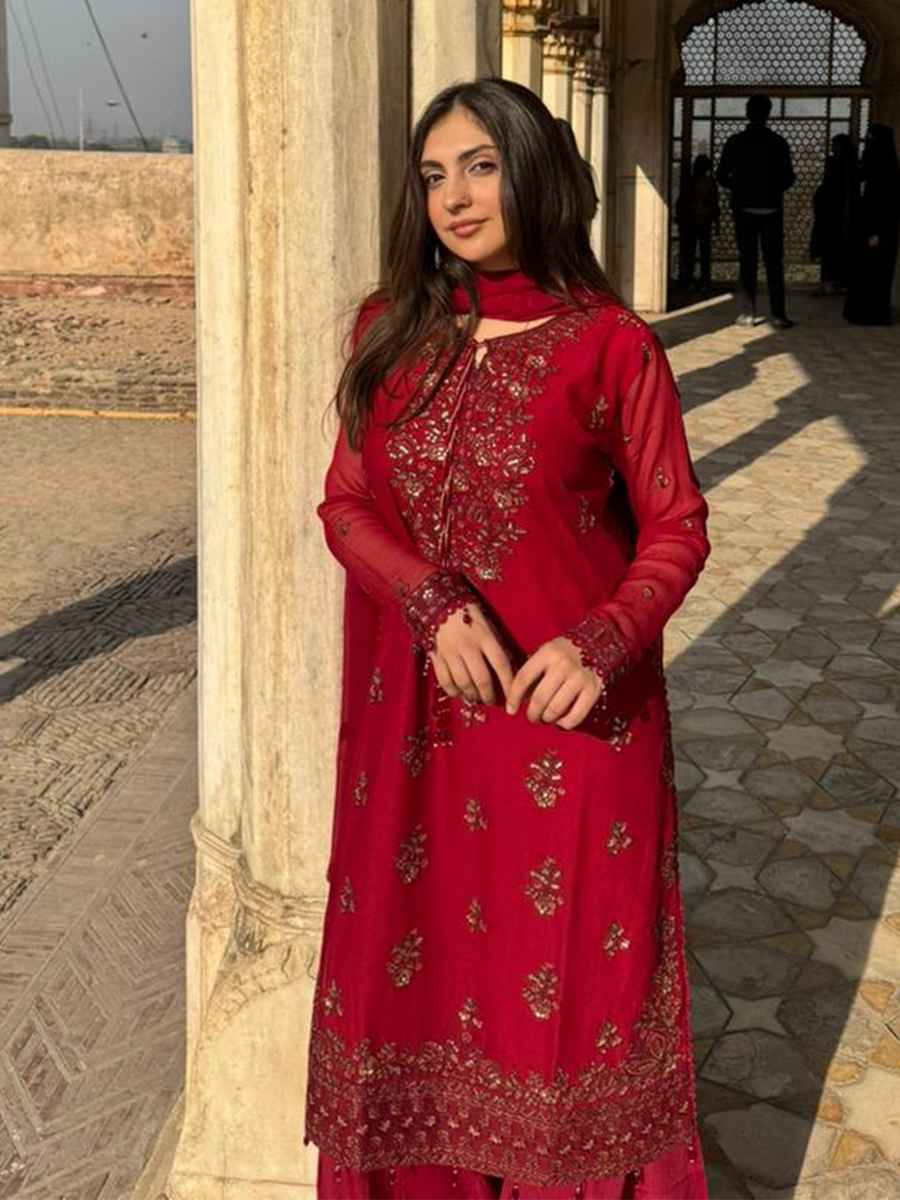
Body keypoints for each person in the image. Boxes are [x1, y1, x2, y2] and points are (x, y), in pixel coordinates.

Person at [306, 77, 711, 1200]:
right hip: (416, 734)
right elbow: (346, 505)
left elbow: (676, 525)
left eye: (480, 167)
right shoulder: (388, 330)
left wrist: (602, 641)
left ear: (533, 172)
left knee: (562, 993)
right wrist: (429, 600)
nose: (454, 197)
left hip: (567, 726)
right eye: (435, 174)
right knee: (423, 972)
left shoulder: (611, 347)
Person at [716, 95, 796, 328]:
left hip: (744, 209)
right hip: (771, 210)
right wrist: (771, 189)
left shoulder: (735, 142)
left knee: (747, 263)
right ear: (768, 114)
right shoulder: (778, 143)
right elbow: (789, 178)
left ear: (747, 113)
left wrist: (741, 187)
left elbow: (721, 176)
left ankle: (748, 314)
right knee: (774, 264)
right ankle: (778, 315)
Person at [844, 123, 900, 326]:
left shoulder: (888, 171)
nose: (867, 144)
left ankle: (874, 314)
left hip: (879, 231)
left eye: (870, 139)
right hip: (868, 229)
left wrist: (878, 233)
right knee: (866, 271)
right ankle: (864, 313)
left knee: (877, 273)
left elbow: (888, 205)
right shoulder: (874, 164)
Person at [810, 133, 858, 295]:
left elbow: (828, 186)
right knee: (840, 249)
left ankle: (829, 283)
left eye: (835, 145)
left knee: (830, 250)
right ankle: (841, 283)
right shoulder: (852, 164)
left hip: (831, 214)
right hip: (842, 215)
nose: (832, 148)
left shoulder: (834, 163)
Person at [675, 153, 720, 293]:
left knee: (691, 253)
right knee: (702, 253)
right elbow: (714, 204)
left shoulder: (690, 182)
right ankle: (702, 281)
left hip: (693, 221)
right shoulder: (708, 182)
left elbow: (681, 202)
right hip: (701, 221)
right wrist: (716, 222)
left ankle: (690, 281)